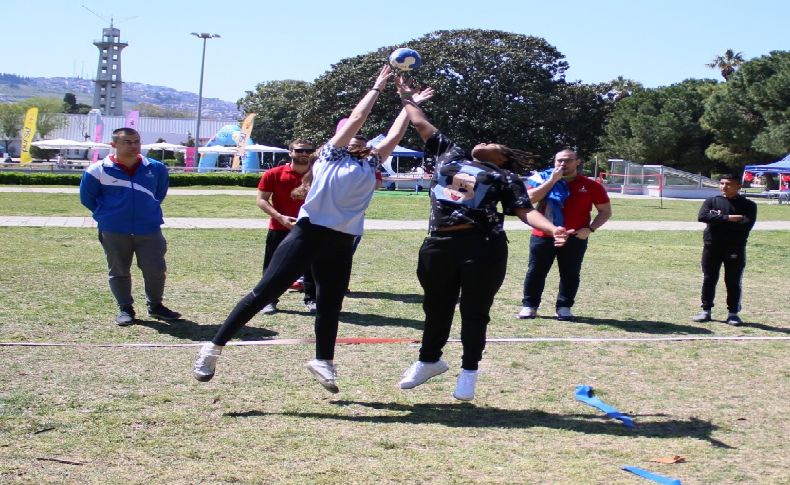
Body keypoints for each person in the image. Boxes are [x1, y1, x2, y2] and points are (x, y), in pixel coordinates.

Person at [193, 66, 434, 392]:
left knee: (330, 304)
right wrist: (377, 86)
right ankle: (213, 348)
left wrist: (409, 102)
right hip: (309, 234)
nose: (360, 137)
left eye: (361, 137)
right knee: (265, 292)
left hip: (341, 241)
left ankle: (323, 361)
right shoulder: (330, 157)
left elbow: (394, 135)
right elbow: (357, 118)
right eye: (353, 133)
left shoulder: (371, 163)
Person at [395, 77, 570, 401]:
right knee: (436, 308)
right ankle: (428, 360)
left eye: (495, 143)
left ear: (502, 157)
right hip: (438, 244)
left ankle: (469, 373)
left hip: (483, 247)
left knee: (475, 312)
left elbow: (524, 211)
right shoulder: (451, 153)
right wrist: (407, 96)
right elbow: (419, 123)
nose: (485, 140)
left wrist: (551, 228)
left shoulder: (505, 177)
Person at [79, 127, 181, 325]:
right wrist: (108, 215)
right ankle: (125, 309)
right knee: (119, 270)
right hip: (114, 230)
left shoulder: (156, 168)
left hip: (149, 228)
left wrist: (146, 212)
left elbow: (159, 194)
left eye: (136, 141)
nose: (133, 146)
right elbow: (87, 199)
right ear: (114, 144)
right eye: (127, 142)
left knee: (156, 269)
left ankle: (156, 306)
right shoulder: (97, 170)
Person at [518, 149, 611, 322]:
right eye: (559, 160)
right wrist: (553, 181)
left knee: (570, 273)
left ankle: (564, 307)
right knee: (536, 272)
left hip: (575, 237)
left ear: (578, 162)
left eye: (568, 160)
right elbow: (529, 200)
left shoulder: (591, 185)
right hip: (543, 235)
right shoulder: (541, 179)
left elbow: (605, 211)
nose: (562, 164)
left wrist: (590, 229)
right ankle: (529, 306)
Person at [256, 139, 317, 315]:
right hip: (279, 228)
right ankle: (267, 300)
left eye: (308, 151)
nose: (304, 154)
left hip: (311, 229)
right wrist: (280, 217)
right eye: (299, 151)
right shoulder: (274, 173)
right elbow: (261, 199)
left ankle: (312, 299)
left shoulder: (319, 174)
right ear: (290, 152)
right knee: (273, 268)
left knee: (312, 267)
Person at [692, 174, 757, 326]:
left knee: (733, 281)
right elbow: (702, 217)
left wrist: (717, 220)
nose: (724, 186)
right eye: (721, 183)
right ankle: (706, 310)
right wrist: (728, 218)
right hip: (711, 246)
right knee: (709, 278)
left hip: (734, 248)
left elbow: (744, 225)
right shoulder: (712, 201)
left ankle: (733, 313)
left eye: (728, 184)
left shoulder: (748, 205)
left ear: (738, 186)